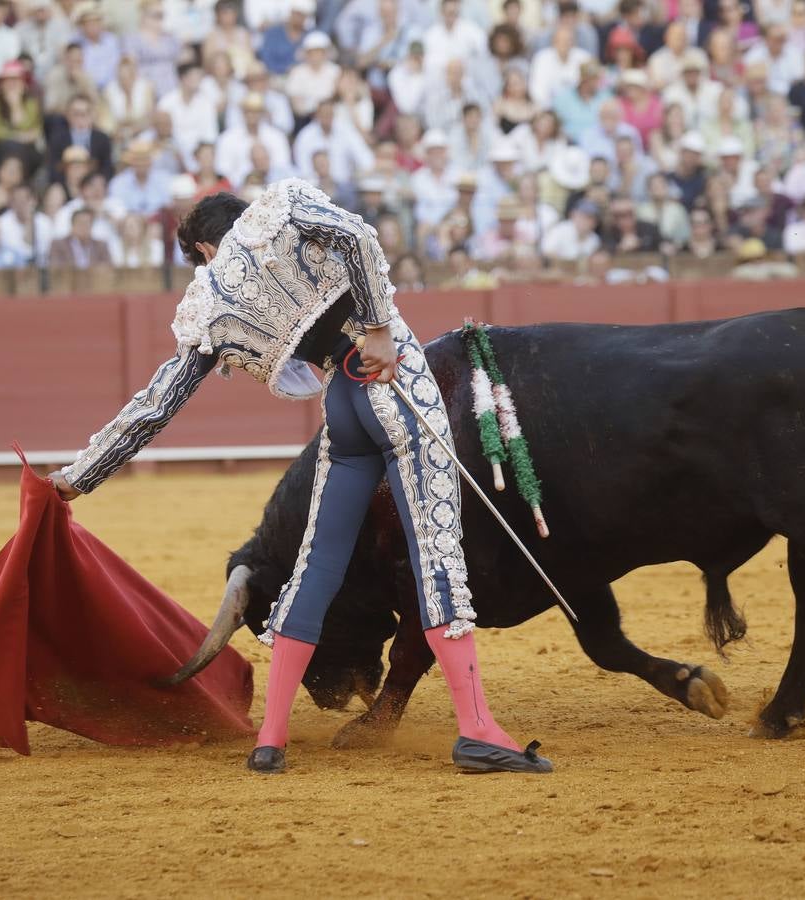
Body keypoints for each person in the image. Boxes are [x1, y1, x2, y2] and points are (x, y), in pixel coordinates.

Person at [48, 181, 553, 776]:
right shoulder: (282, 209)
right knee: (437, 554)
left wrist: (79, 476)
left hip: (341, 406)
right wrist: (380, 328)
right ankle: (478, 731)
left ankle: (272, 738)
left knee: (315, 565)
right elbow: (359, 234)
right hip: (393, 382)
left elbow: (158, 404)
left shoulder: (211, 304)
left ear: (205, 248)